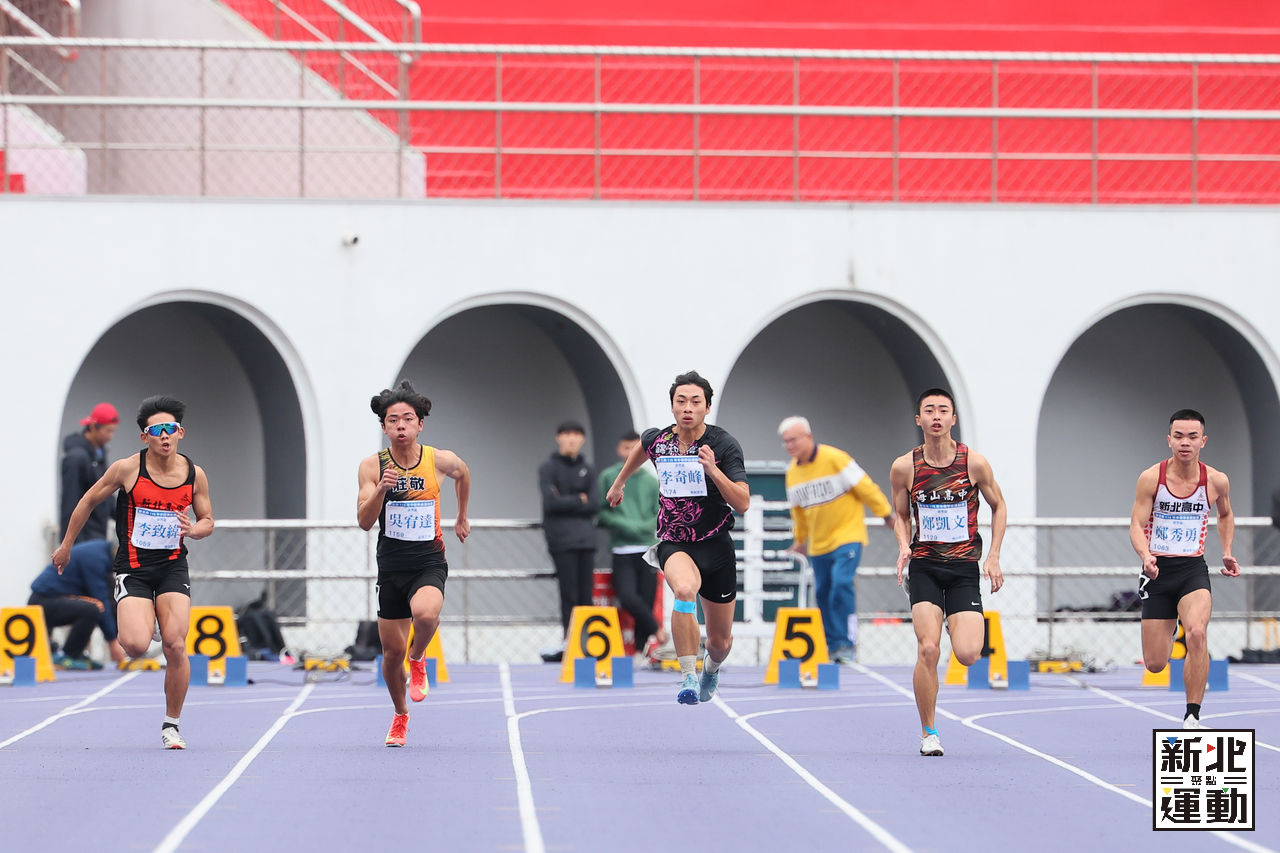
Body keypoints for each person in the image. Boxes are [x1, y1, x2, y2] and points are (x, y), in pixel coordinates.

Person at [54, 395, 215, 750]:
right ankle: (147, 618)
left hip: (172, 566)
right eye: (156, 430)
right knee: (136, 646)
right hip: (134, 569)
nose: (164, 435)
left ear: (180, 433)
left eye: (170, 429)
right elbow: (87, 501)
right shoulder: (127, 469)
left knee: (175, 644)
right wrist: (66, 545)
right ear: (145, 437)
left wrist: (194, 529)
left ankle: (171, 725)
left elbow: (207, 520)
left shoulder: (194, 474)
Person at [607, 371, 749, 705]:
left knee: (720, 643)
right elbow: (642, 449)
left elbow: (742, 502)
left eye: (695, 402)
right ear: (672, 406)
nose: (687, 408)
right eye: (681, 401)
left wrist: (713, 470)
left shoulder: (723, 445)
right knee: (684, 590)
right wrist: (619, 482)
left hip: (716, 545)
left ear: (707, 407)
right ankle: (687, 676)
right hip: (675, 541)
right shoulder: (659, 441)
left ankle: (710, 668)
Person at [889, 388, 1006, 757]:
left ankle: (958, 622)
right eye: (929, 410)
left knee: (969, 653)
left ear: (953, 419)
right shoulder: (905, 467)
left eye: (943, 410)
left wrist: (994, 556)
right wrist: (903, 546)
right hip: (925, 566)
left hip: (963, 568)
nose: (936, 416)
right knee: (928, 648)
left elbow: (999, 506)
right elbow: (901, 515)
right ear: (919, 419)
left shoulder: (974, 463)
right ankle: (929, 732)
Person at [357, 380, 470, 747]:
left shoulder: (438, 460)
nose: (401, 426)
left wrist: (461, 516)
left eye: (408, 419)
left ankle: (418, 657)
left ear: (420, 424)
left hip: (428, 561)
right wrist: (381, 489)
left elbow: (463, 473)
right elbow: (364, 521)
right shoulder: (373, 466)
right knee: (391, 655)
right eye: (393, 420)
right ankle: (400, 714)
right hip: (391, 567)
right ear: (384, 427)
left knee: (425, 614)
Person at [1129, 409, 1239, 730]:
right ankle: (1172, 619)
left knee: (1197, 633)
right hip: (1158, 571)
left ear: (1203, 441)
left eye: (1192, 437)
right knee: (1155, 663)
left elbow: (1225, 515)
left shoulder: (1216, 480)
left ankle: (1192, 715)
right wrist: (1145, 555)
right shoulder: (1151, 478)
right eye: (1178, 436)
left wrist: (1227, 551)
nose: (1185, 443)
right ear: (1169, 440)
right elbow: (1136, 523)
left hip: (1192, 569)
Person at [780, 416, 893, 664]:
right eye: (785, 441)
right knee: (822, 593)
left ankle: (848, 643)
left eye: (793, 440)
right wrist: (800, 540)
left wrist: (886, 514)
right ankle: (833, 645)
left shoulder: (835, 458)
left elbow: (866, 487)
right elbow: (798, 513)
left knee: (841, 584)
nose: (789, 446)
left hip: (847, 535)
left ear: (808, 437)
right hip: (818, 544)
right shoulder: (792, 473)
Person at [597, 430, 669, 660]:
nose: (630, 452)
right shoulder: (608, 477)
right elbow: (601, 512)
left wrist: (639, 527)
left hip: (648, 548)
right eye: (626, 448)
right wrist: (627, 525)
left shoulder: (651, 480)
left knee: (646, 599)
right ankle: (657, 629)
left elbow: (659, 513)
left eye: (634, 448)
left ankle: (639, 650)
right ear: (619, 449)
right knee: (627, 596)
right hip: (621, 548)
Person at [538, 420, 599, 662]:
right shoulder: (548, 468)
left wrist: (568, 500)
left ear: (582, 439)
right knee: (569, 593)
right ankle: (570, 641)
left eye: (576, 434)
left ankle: (588, 644)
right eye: (567, 434)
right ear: (559, 437)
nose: (572, 439)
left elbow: (594, 503)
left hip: (586, 540)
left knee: (586, 595)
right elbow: (550, 503)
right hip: (561, 540)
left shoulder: (588, 469)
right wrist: (579, 499)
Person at [30, 540, 126, 670]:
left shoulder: (101, 551)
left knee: (95, 608)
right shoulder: (96, 559)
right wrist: (112, 641)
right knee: (93, 609)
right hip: (43, 602)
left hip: (50, 598)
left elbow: (111, 601)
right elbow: (101, 599)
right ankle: (67, 655)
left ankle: (75, 653)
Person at [60, 402, 119, 543]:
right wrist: (70, 544)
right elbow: (70, 502)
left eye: (113, 431)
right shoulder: (76, 458)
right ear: (93, 427)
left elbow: (105, 493)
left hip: (97, 535)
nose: (110, 436)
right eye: (108, 431)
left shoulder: (98, 453)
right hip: (82, 539)